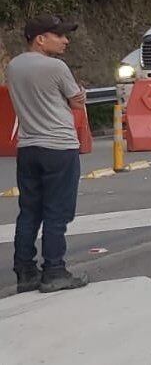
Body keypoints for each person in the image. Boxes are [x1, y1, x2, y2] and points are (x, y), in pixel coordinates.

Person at [9, 15, 89, 293]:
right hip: (59, 147)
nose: (66, 41)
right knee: (57, 212)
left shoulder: (13, 66)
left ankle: (25, 271)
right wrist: (76, 95)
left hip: (28, 146)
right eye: (60, 36)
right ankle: (54, 271)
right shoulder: (56, 67)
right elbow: (77, 102)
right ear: (40, 39)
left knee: (29, 211)